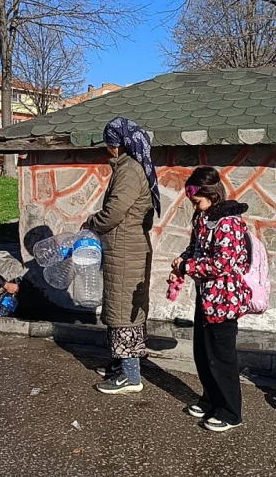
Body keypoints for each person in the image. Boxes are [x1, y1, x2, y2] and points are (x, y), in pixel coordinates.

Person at [83, 117, 161, 394]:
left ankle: (130, 376)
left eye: (109, 143)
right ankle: (122, 364)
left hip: (126, 250)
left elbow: (116, 211)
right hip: (127, 247)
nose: (107, 149)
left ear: (118, 143)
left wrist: (92, 222)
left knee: (122, 311)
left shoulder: (129, 169)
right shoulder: (133, 167)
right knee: (125, 307)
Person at [170, 166, 251, 432]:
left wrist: (188, 268)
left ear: (211, 194)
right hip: (206, 295)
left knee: (222, 356)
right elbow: (196, 247)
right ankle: (211, 398)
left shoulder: (229, 222)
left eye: (197, 201)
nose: (195, 206)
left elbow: (222, 263)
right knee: (203, 353)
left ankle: (230, 411)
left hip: (224, 298)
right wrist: (184, 258)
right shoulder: (202, 217)